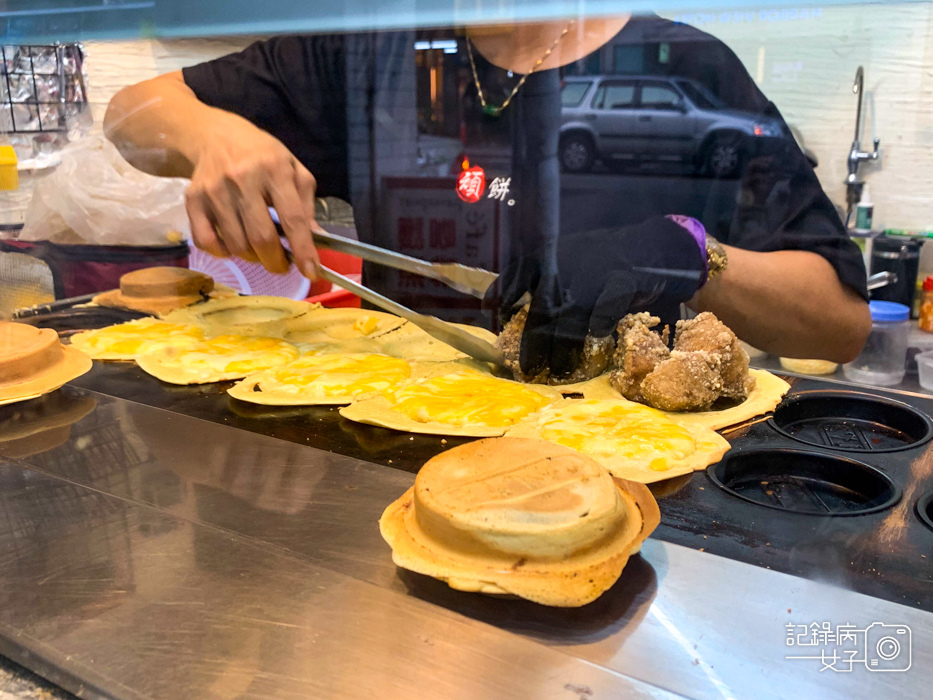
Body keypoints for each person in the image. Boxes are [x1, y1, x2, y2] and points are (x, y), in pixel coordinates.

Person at [104, 15, 870, 380]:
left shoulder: (686, 69)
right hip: (395, 451)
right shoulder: (369, 49)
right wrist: (211, 136)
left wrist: (690, 253)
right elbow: (131, 114)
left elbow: (839, 325)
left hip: (627, 474)